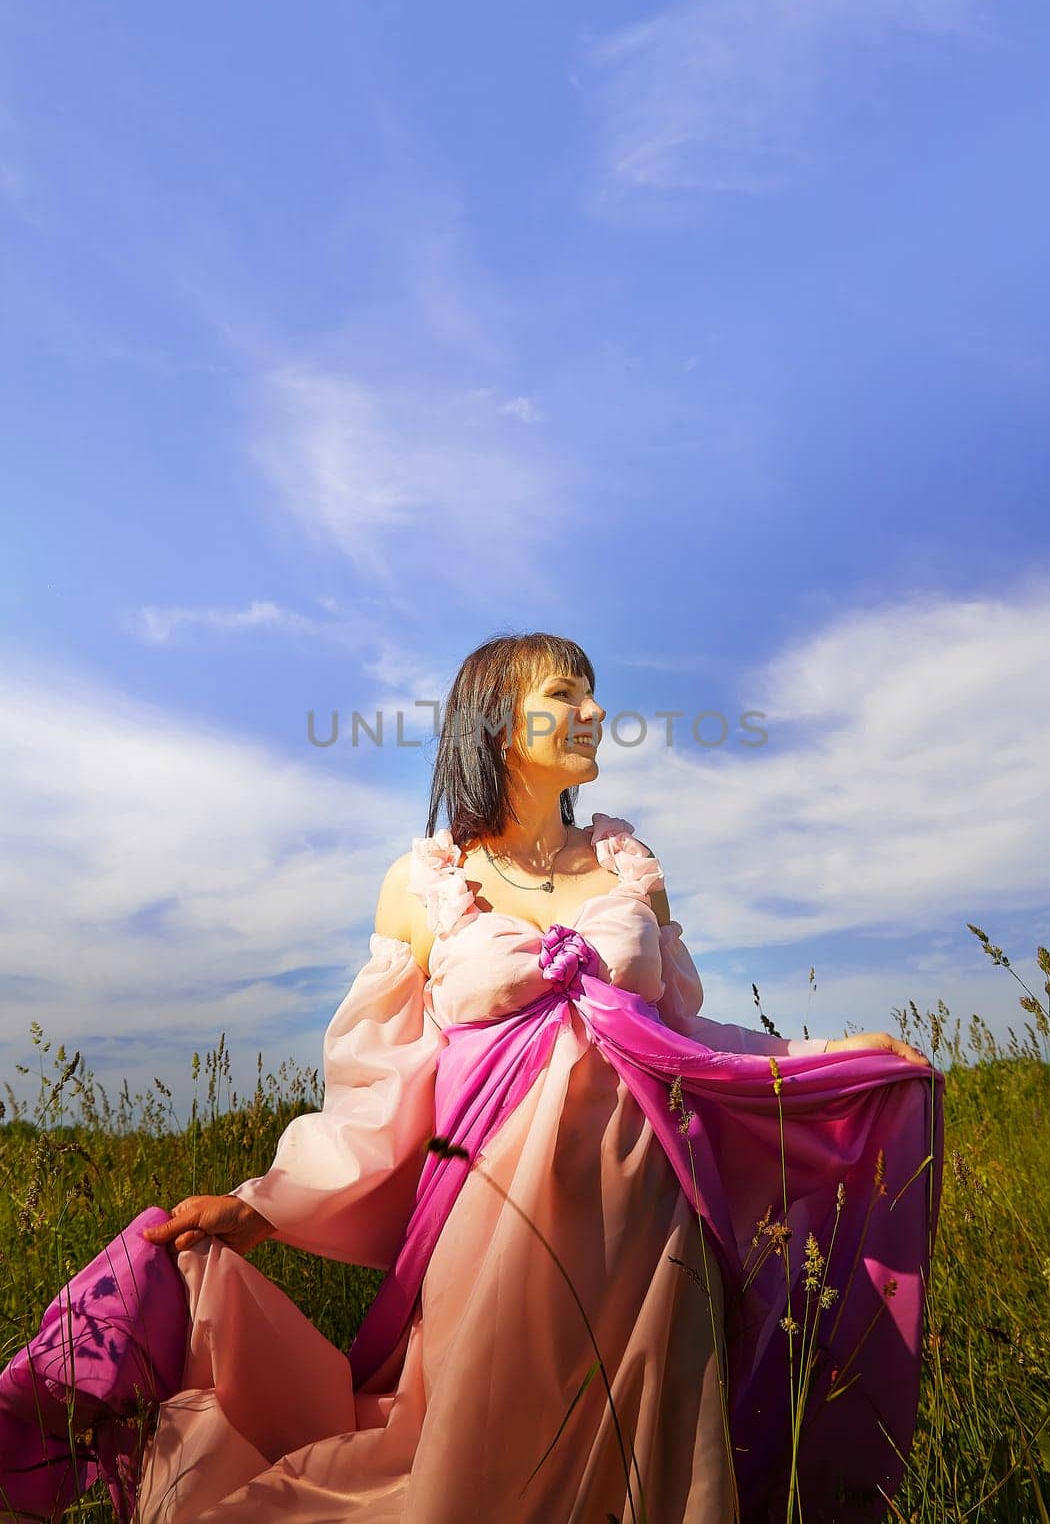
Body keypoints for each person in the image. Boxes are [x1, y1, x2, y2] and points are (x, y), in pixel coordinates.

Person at [0, 631, 942, 1524]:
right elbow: (381, 1090)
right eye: (563, 692)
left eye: (591, 690)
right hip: (496, 1224)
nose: (594, 709)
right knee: (482, 1457)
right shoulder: (423, 882)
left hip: (650, 1217)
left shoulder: (629, 869)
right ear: (498, 721)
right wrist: (263, 1203)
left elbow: (687, 1036)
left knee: (653, 1453)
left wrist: (830, 1056)